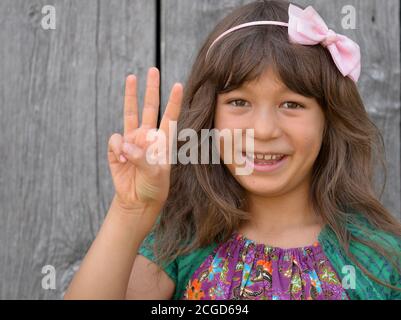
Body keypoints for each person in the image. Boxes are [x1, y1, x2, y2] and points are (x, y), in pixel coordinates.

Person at [64, 0, 401, 300]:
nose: (264, 130)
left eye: (292, 104)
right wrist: (129, 212)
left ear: (329, 120)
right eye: (239, 102)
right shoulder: (181, 242)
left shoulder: (378, 259)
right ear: (210, 117)